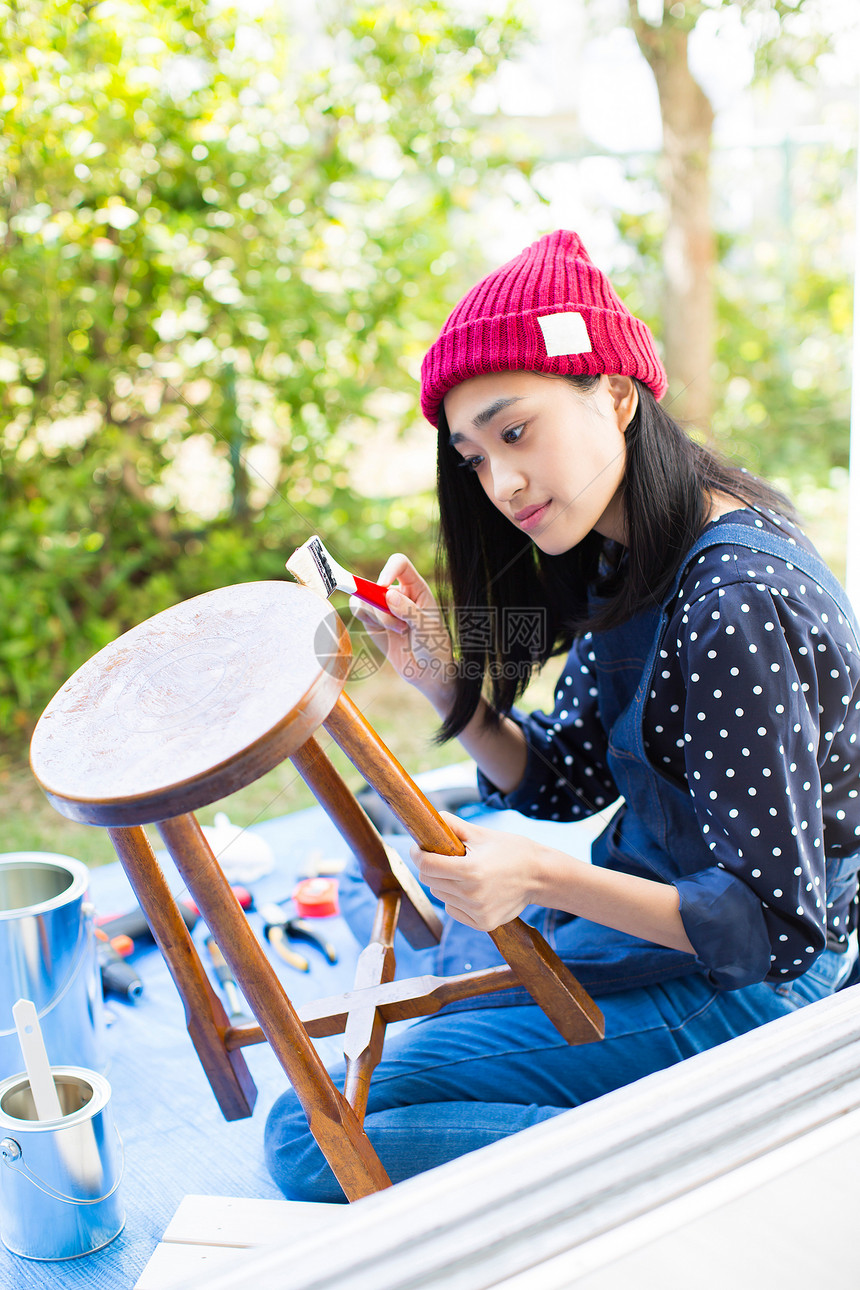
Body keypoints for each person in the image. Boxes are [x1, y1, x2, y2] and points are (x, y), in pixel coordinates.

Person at [265, 229, 860, 1202]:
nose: (497, 483)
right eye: (472, 456)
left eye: (514, 431)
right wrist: (440, 681)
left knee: (307, 1134)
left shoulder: (734, 599)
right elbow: (565, 777)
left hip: (745, 985)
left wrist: (542, 875)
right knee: (439, 955)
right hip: (658, 918)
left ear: (615, 395)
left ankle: (682, 1185)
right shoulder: (629, 554)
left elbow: (774, 931)